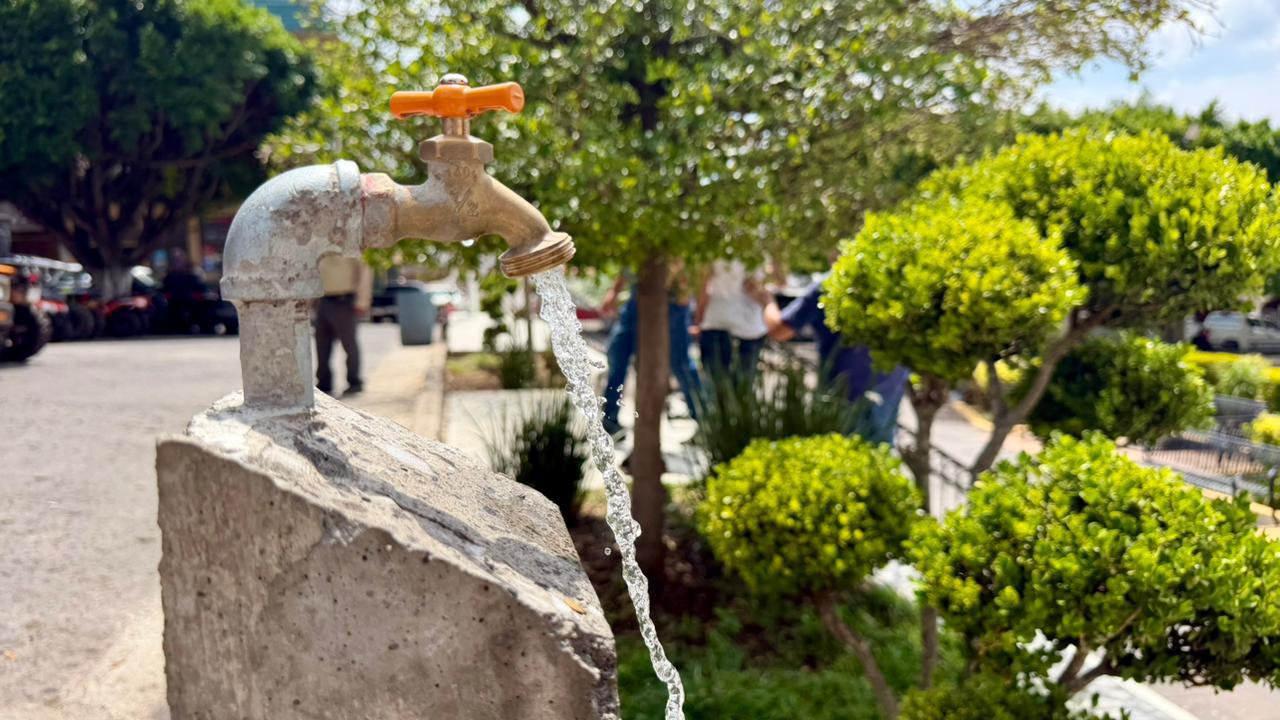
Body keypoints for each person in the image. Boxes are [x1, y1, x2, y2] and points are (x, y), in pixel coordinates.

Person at [760, 276, 909, 445]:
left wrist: (767, 301)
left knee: (843, 451)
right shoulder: (894, 278)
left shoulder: (830, 284)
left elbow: (779, 330)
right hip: (890, 387)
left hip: (842, 395)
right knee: (880, 452)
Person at [600, 262, 702, 437]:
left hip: (673, 304)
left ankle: (704, 421)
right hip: (638, 299)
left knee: (681, 364)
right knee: (618, 357)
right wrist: (614, 292)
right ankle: (609, 420)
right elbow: (631, 260)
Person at [694, 259, 767, 381]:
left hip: (716, 320)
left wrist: (698, 320)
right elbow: (775, 282)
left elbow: (703, 288)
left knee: (714, 385)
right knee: (742, 387)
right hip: (748, 328)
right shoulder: (760, 251)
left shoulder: (713, 250)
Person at [315, 255, 372, 396]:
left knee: (349, 344)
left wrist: (363, 301)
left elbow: (365, 271)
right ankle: (324, 383)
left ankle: (354, 381)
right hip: (322, 300)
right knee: (321, 344)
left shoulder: (350, 248)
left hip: (344, 300)